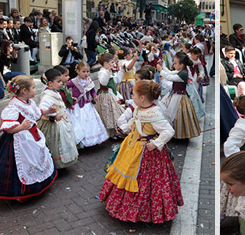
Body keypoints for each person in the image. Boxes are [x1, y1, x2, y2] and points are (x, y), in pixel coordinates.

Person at [99, 79, 183, 223]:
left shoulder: (154, 114)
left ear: (142, 98)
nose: (132, 98)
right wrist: (125, 128)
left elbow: (168, 131)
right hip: (133, 146)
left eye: (134, 95)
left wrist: (157, 143)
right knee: (128, 173)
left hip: (146, 152)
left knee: (146, 181)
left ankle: (144, 211)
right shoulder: (140, 109)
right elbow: (134, 122)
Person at [0, 75, 57, 199]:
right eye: (33, 88)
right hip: (20, 140)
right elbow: (8, 128)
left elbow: (36, 113)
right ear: (24, 90)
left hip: (33, 136)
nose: (35, 90)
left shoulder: (30, 102)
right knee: (18, 165)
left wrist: (47, 111)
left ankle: (38, 184)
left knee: (37, 158)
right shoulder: (14, 107)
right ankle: (20, 192)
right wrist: (22, 127)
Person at [38, 67, 79, 169]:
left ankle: (60, 164)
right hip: (53, 124)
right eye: (59, 81)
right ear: (50, 83)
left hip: (60, 122)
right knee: (55, 145)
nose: (61, 83)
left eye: (61, 81)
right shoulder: (47, 95)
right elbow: (42, 109)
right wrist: (52, 114)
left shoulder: (54, 92)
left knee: (61, 142)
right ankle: (54, 165)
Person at [156, 51, 201, 139]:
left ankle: (177, 133)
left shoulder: (183, 74)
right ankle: (174, 132)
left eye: (176, 63)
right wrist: (163, 67)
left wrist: (161, 70)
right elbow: (170, 73)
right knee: (171, 114)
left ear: (182, 65)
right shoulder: (181, 71)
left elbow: (169, 77)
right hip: (175, 94)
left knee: (173, 114)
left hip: (179, 97)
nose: (174, 64)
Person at [66, 61, 109, 147]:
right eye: (83, 71)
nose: (86, 74)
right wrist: (69, 98)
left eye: (88, 71)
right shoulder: (73, 81)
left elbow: (92, 91)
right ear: (78, 71)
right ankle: (81, 141)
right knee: (79, 122)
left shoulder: (89, 81)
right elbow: (65, 88)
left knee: (90, 122)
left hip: (87, 105)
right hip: (77, 106)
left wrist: (94, 96)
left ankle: (91, 140)